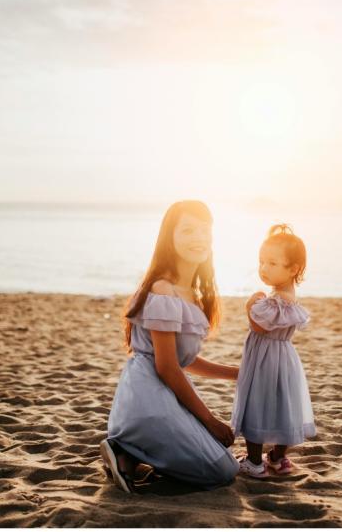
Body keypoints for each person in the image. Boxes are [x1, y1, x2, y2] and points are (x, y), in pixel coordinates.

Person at [101, 200, 239, 492]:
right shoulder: (163, 289)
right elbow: (166, 367)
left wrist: (236, 373)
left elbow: (185, 360)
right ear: (169, 237)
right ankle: (126, 448)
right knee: (223, 470)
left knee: (223, 459)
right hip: (147, 395)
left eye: (204, 230)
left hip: (161, 390)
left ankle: (129, 458)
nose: (198, 238)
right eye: (187, 230)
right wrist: (210, 419)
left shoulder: (194, 294)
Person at [230, 224, 316, 478]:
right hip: (283, 358)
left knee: (257, 403)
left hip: (265, 358)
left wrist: (250, 304)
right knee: (283, 404)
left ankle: (255, 462)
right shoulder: (287, 295)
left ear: (293, 269)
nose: (263, 268)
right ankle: (278, 457)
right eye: (261, 261)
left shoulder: (278, 299)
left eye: (272, 263)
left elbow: (261, 325)